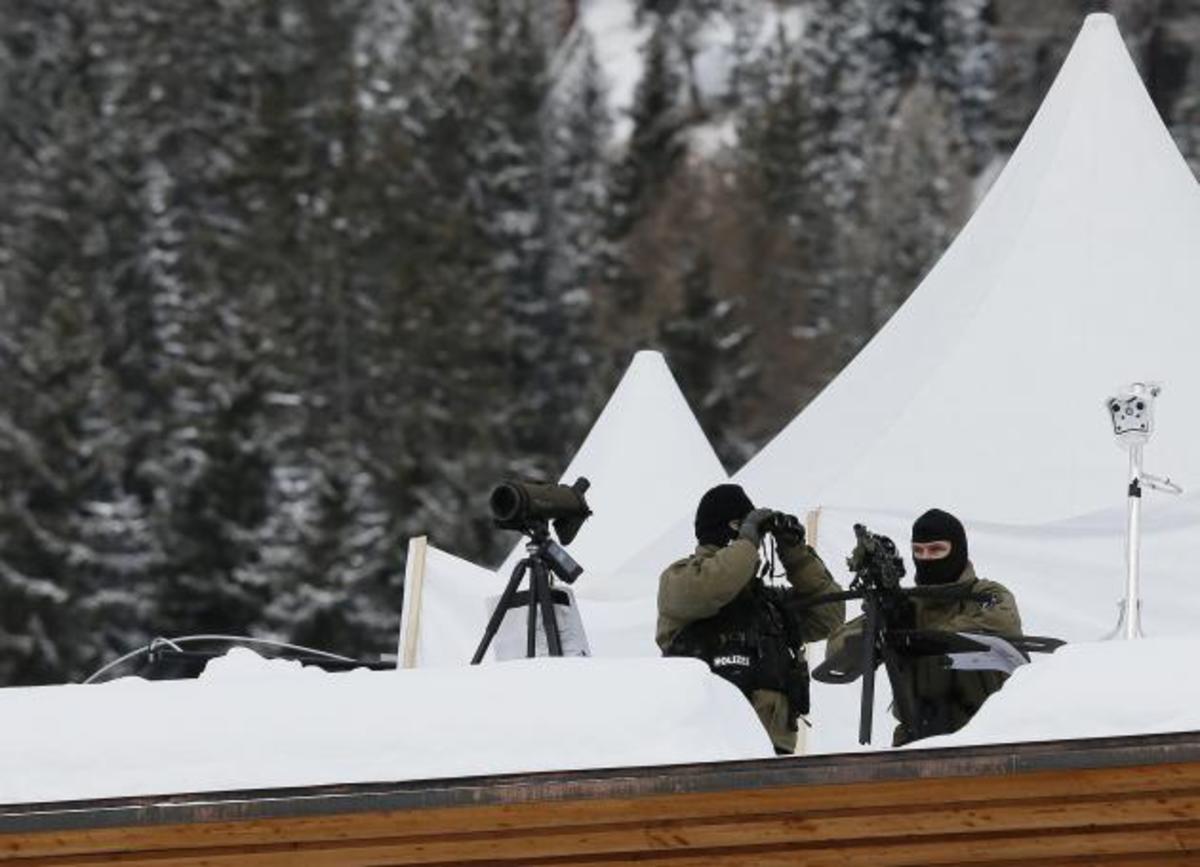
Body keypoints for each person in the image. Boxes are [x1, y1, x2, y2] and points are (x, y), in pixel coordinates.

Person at [656, 484, 845, 754]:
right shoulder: (680, 580)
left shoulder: (768, 605)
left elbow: (829, 615)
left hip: (773, 751)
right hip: (705, 749)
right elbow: (715, 584)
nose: (756, 540)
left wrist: (795, 553)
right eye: (742, 527)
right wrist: (746, 543)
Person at [825, 508, 1022, 746]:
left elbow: (1002, 623)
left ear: (957, 550)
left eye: (937, 549)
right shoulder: (906, 604)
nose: (926, 558)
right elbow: (836, 651)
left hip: (987, 736)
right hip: (915, 739)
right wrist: (880, 634)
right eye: (918, 551)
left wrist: (924, 638)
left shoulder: (984, 593)